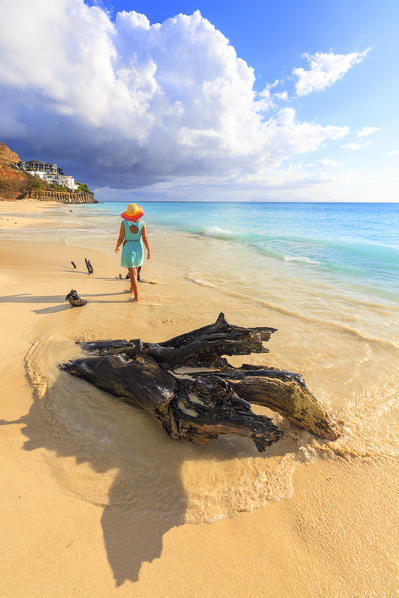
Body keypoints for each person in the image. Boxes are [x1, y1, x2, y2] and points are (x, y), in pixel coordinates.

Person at [115, 203, 150, 302]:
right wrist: (148, 250)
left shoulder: (124, 223)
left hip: (128, 248)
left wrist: (117, 247)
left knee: (133, 273)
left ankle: (137, 297)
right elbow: (145, 238)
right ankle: (131, 289)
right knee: (135, 272)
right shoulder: (142, 223)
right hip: (139, 248)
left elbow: (121, 238)